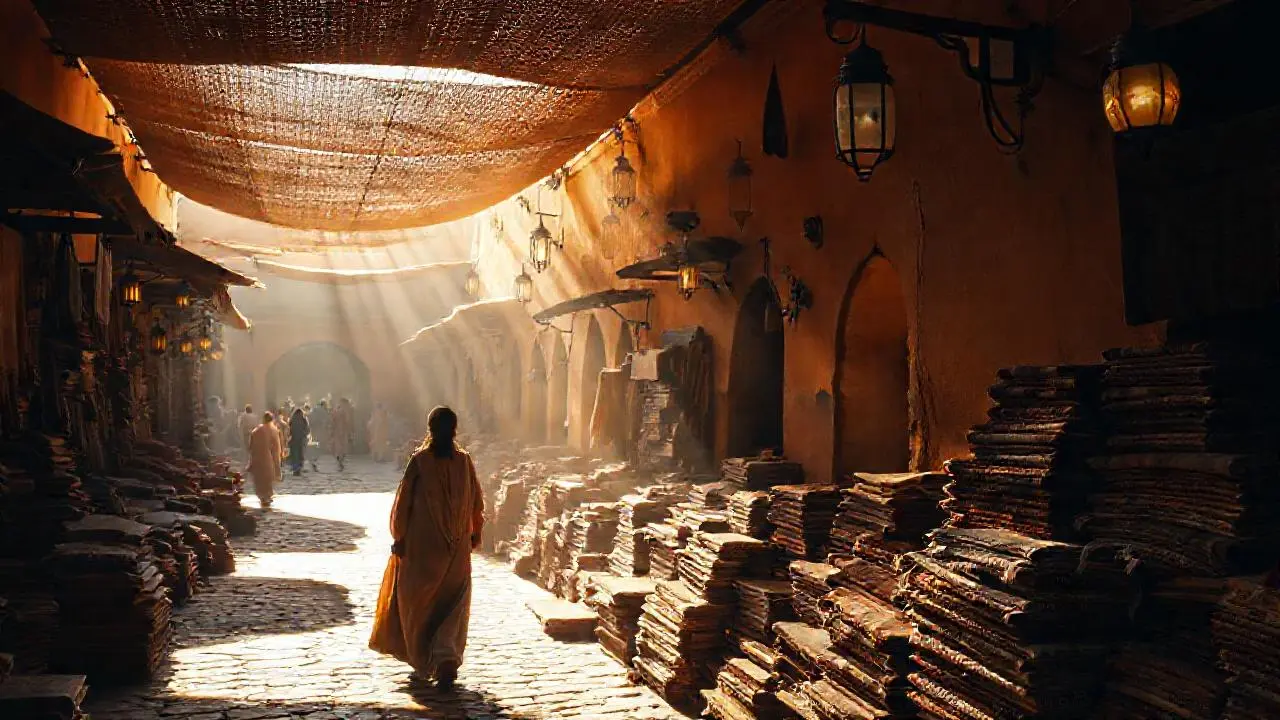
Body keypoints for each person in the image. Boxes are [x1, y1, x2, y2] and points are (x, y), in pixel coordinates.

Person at [369, 407, 483, 690]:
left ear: (430, 429)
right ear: (454, 429)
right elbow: (477, 503)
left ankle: (424, 658)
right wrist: (475, 533)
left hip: (422, 548)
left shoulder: (420, 462)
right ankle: (446, 656)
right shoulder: (464, 461)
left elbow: (403, 504)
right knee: (452, 602)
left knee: (420, 605)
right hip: (456, 549)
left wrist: (399, 536)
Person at [246, 412, 283, 510]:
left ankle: (262, 496)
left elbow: (250, 446)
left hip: (257, 457)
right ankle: (267, 495)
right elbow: (276, 447)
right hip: (268, 457)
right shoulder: (273, 430)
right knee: (267, 478)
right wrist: (277, 460)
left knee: (259, 478)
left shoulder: (256, 430)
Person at [331, 397, 354, 472]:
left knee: (339, 448)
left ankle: (340, 461)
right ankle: (340, 461)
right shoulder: (344, 411)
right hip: (342, 432)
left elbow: (332, 421)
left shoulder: (336, 410)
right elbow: (347, 422)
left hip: (338, 431)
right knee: (342, 448)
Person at [288, 407, 310, 477]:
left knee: (295, 455)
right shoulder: (304, 419)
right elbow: (307, 430)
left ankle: (295, 469)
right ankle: (299, 469)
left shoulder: (292, 419)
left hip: (294, 439)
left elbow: (289, 429)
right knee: (301, 454)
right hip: (301, 439)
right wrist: (304, 434)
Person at [309, 400, 330, 471]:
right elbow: (326, 420)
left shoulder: (314, 410)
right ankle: (314, 460)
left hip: (314, 430)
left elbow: (310, 419)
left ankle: (313, 459)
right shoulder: (323, 411)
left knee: (316, 444)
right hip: (320, 430)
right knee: (320, 446)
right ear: (323, 405)